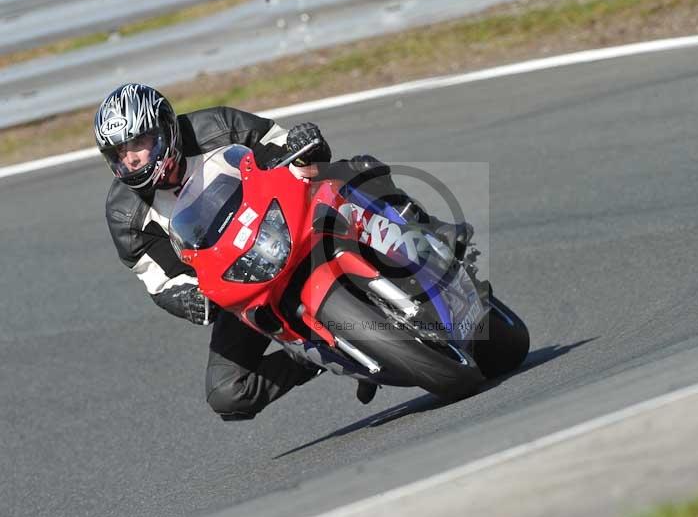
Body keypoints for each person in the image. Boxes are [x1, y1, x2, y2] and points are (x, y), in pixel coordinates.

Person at [96, 82, 470, 420]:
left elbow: (282, 143)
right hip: (238, 280)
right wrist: (190, 300)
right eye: (119, 153)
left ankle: (425, 229)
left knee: (352, 169)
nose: (130, 160)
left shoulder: (216, 126)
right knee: (227, 394)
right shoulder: (125, 213)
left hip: (286, 218)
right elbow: (159, 280)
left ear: (163, 129)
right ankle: (315, 355)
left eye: (138, 144)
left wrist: (304, 143)